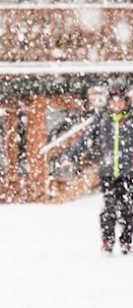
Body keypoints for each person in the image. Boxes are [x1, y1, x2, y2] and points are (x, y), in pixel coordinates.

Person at [64, 81, 133, 254]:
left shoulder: (130, 120)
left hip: (128, 171)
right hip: (108, 171)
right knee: (109, 208)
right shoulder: (102, 120)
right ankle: (108, 240)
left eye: (120, 101)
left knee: (128, 208)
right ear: (108, 102)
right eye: (113, 101)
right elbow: (85, 140)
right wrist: (71, 156)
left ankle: (127, 241)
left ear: (126, 102)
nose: (116, 105)